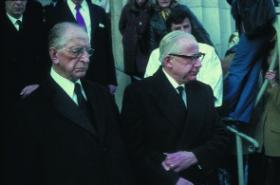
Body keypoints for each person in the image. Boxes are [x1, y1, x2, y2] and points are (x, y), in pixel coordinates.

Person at [4, 22, 134, 185]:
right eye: (77, 51)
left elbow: (119, 149)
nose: (86, 59)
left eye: (88, 51)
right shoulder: (31, 108)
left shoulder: (102, 95)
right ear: (54, 55)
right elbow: (25, 172)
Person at [121, 31, 231, 185]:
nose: (198, 64)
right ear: (168, 61)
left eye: (198, 56)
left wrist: (195, 156)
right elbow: (134, 149)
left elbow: (221, 136)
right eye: (191, 58)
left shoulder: (204, 91)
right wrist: (171, 180)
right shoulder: (139, 94)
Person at [144, 7, 223, 107]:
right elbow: (151, 89)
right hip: (165, 110)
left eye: (186, 27)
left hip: (201, 110)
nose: (183, 32)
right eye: (177, 28)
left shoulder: (207, 51)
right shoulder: (157, 54)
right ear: (170, 32)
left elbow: (212, 90)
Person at [222, 0, 275, 124]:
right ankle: (240, 114)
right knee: (252, 73)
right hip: (262, 27)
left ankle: (223, 109)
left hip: (254, 27)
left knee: (237, 71)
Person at [47, 0, 117, 93]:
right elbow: (49, 49)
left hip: (99, 79)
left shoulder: (99, 11)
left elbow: (107, 47)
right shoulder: (54, 13)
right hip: (69, 79)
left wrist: (112, 79)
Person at [1, 0, 47, 115]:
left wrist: (39, 84)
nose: (18, 2)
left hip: (35, 93)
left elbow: (47, 59)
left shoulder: (37, 25)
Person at [149, 0, 213, 52]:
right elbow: (153, 45)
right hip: (169, 54)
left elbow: (200, 32)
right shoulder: (152, 16)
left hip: (190, 50)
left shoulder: (183, 9)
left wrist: (213, 53)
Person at [119, 0, 153, 79]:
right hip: (131, 49)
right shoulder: (127, 8)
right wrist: (130, 36)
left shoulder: (152, 8)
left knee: (146, 75)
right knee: (132, 76)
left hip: (145, 49)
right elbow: (121, 26)